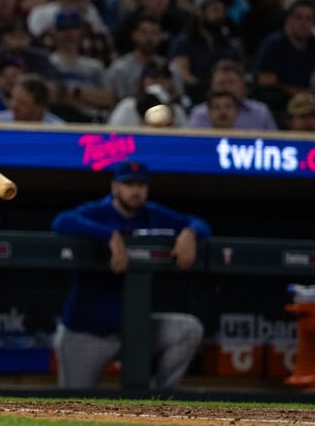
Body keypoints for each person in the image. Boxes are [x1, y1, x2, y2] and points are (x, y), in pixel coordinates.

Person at [51, 160, 209, 391]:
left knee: (188, 330)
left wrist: (190, 232)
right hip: (88, 331)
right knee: (71, 403)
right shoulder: (97, 212)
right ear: (115, 187)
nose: (135, 191)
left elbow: (200, 223)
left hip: (134, 328)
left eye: (141, 185)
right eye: (128, 184)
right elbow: (61, 221)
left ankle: (161, 398)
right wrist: (107, 235)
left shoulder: (152, 214)